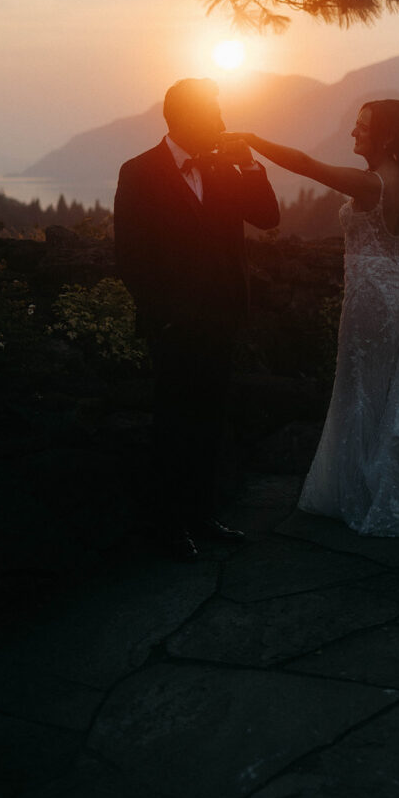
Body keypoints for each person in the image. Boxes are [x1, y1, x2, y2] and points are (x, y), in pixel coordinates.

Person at [222, 99, 399, 536]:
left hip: (373, 295)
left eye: (362, 127)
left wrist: (253, 140)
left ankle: (368, 492)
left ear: (387, 136)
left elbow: (305, 164)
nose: (353, 133)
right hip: (395, 288)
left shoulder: (372, 183)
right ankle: (378, 484)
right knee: (384, 388)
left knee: (363, 389)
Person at [114, 78, 280, 559]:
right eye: (213, 112)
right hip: (173, 327)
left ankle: (201, 515)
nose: (223, 122)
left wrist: (249, 163)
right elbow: (131, 254)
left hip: (222, 319)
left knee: (209, 423)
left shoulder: (227, 167)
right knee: (173, 426)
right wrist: (165, 317)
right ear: (183, 117)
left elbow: (268, 217)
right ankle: (165, 527)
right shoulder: (139, 172)